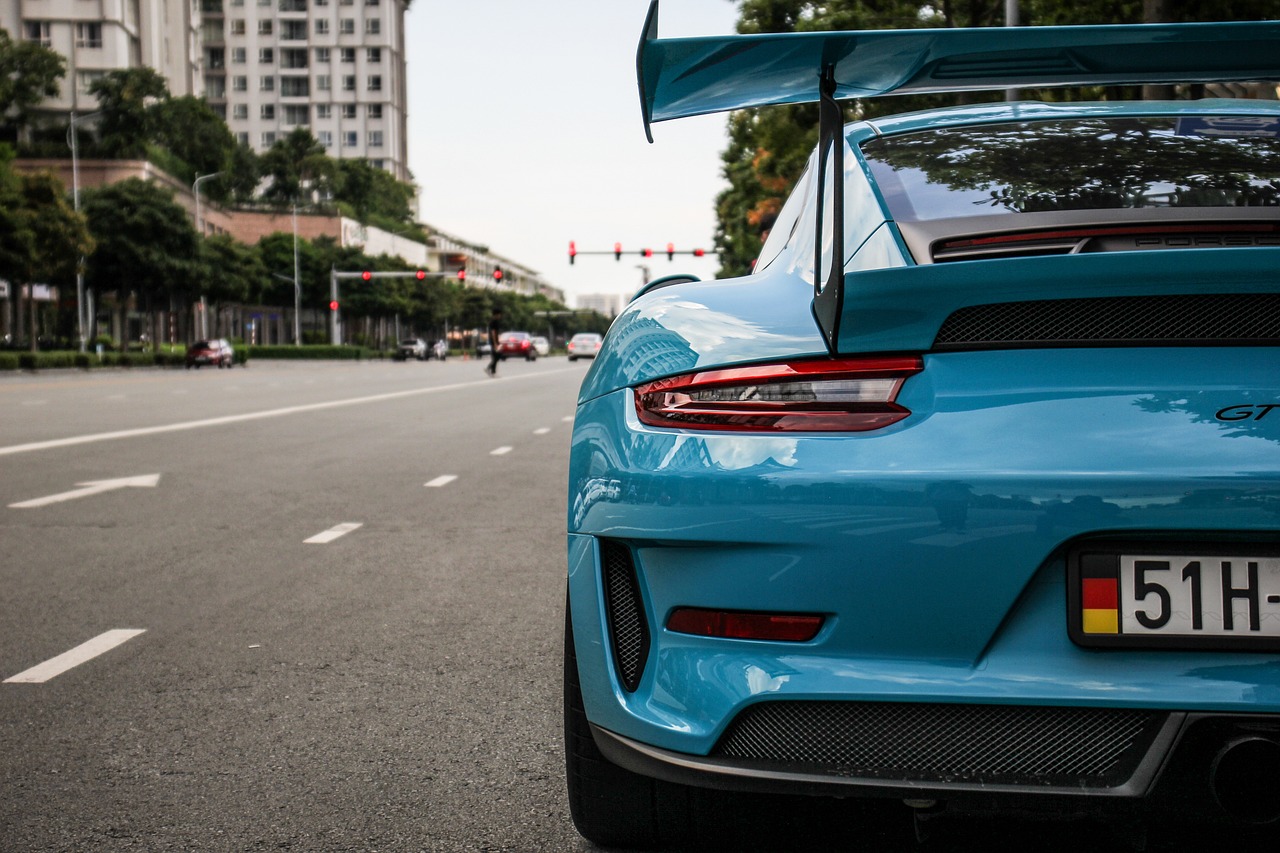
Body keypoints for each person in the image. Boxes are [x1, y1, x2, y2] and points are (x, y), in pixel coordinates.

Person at [485, 307, 502, 376]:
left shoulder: (495, 321)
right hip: (493, 341)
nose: (500, 316)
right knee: (497, 356)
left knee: (496, 356)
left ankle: (492, 371)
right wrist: (495, 343)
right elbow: (493, 332)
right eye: (499, 314)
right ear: (496, 314)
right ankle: (489, 369)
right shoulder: (494, 322)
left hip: (495, 341)